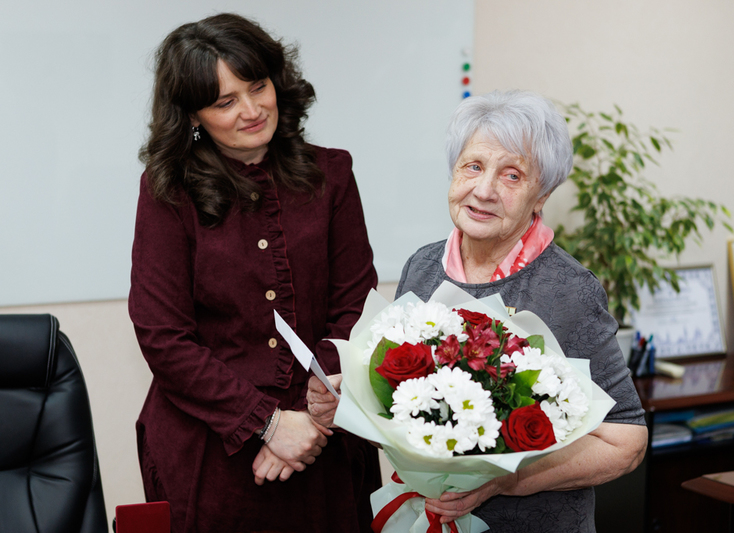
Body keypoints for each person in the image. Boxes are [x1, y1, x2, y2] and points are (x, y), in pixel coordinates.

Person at [308, 90, 647, 533]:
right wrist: (347, 399)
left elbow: (625, 440)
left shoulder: (569, 289)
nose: (484, 190)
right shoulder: (423, 267)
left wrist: (505, 481)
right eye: (473, 166)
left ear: (541, 195)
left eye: (512, 175)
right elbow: (403, 410)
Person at [129, 13, 381, 533]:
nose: (251, 110)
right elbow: (163, 335)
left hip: (324, 441)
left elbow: (355, 306)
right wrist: (266, 423)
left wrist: (313, 415)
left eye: (258, 86)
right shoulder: (168, 191)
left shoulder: (331, 174)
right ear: (193, 115)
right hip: (211, 452)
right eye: (225, 102)